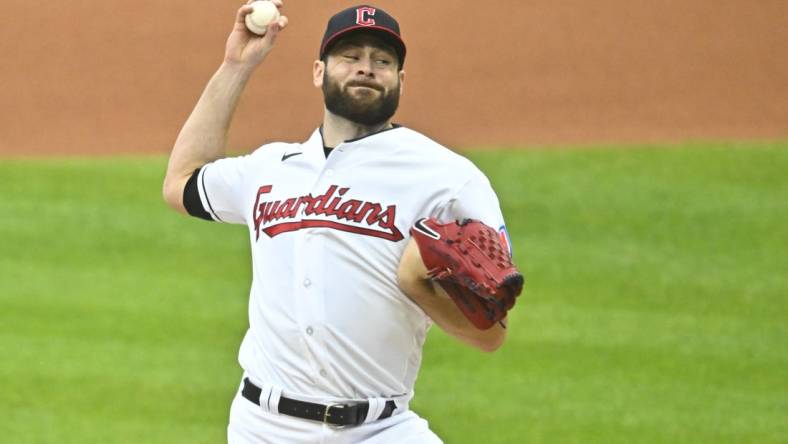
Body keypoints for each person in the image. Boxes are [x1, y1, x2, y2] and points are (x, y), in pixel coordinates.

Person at [162, 2, 513, 442]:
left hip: (381, 430)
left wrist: (420, 287)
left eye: (381, 61)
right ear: (318, 71)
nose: (365, 68)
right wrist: (236, 66)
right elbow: (181, 181)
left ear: (400, 80)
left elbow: (490, 335)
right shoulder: (270, 168)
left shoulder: (449, 179)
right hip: (262, 428)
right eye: (350, 57)